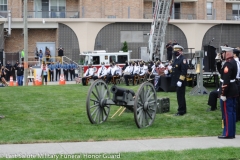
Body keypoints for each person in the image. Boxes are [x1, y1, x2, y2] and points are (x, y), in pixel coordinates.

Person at [218, 46, 238, 139]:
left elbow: (226, 81)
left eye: (223, 53)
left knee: (227, 112)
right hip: (233, 89)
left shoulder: (228, 64)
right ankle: (231, 132)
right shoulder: (233, 61)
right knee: (232, 112)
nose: (222, 54)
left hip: (228, 91)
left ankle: (227, 133)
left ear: (227, 53)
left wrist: (223, 94)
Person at [170, 45, 188, 116]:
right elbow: (174, 69)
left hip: (180, 81)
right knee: (179, 96)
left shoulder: (183, 59)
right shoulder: (176, 59)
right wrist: (169, 70)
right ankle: (183, 109)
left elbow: (184, 71)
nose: (175, 53)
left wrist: (180, 80)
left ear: (180, 51)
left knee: (180, 96)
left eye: (176, 51)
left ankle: (181, 111)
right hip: (176, 80)